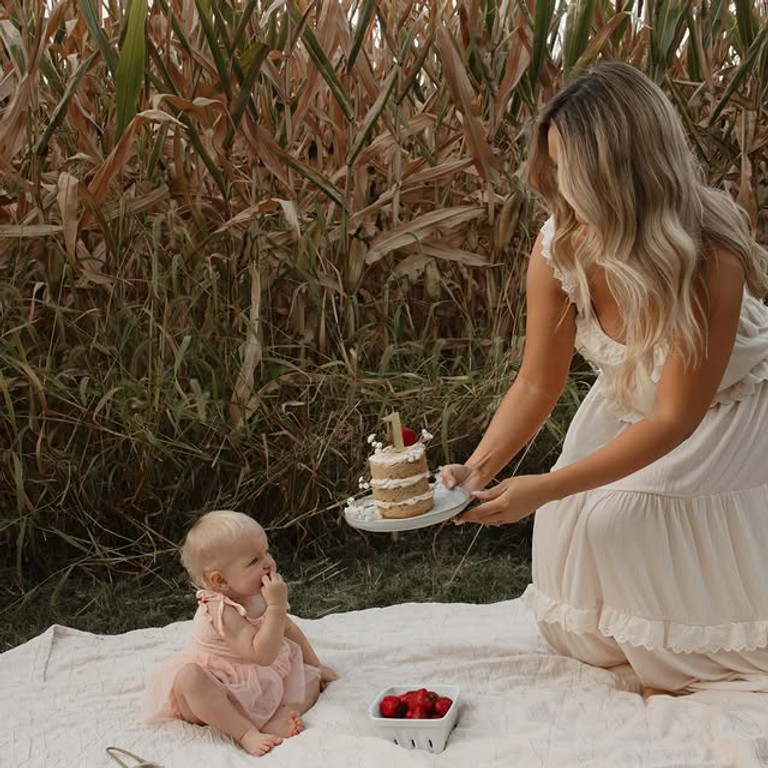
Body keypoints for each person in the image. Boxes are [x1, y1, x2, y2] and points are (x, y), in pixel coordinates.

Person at [443, 61, 768, 697]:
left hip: (729, 410)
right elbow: (538, 383)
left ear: (622, 171)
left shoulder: (707, 256)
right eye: (555, 164)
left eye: (571, 168)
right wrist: (475, 473)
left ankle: (694, 648)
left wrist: (548, 485)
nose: (559, 184)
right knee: (571, 526)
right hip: (630, 403)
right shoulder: (560, 244)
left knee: (619, 517)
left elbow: (676, 415)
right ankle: (643, 637)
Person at [141, 510, 338, 756]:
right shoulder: (220, 608)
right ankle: (245, 732)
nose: (268, 562)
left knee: (309, 681)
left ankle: (277, 717)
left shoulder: (256, 594)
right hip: (219, 686)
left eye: (265, 551)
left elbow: (287, 629)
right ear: (220, 581)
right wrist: (276, 608)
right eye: (253, 561)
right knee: (190, 679)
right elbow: (261, 654)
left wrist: (316, 666)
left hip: (259, 680)